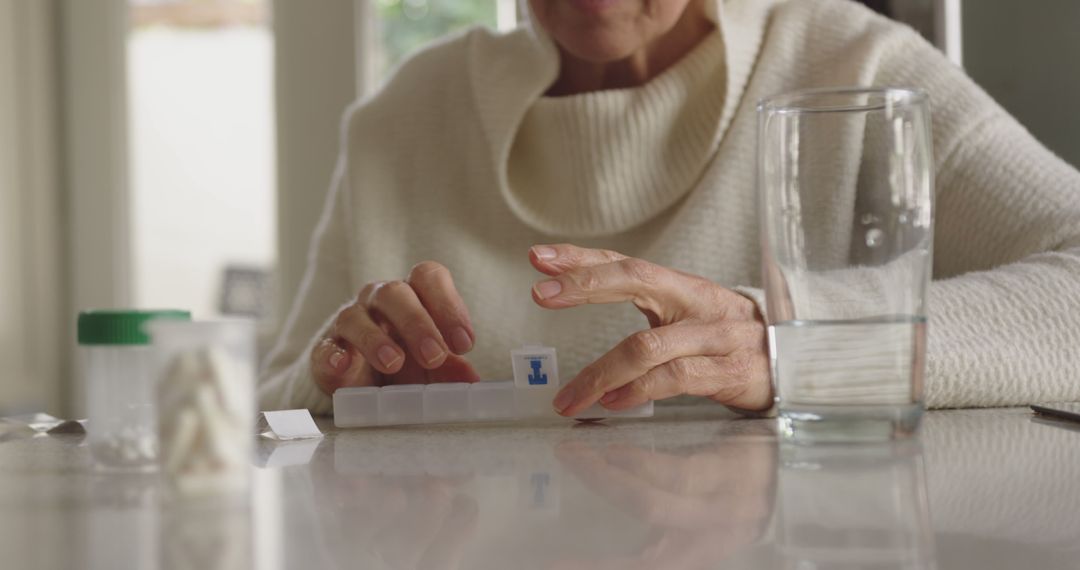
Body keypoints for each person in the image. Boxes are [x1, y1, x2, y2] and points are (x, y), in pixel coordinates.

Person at [258, 0, 1080, 416]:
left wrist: (793, 346)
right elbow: (276, 406)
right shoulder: (403, 116)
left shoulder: (856, 66)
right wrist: (342, 388)